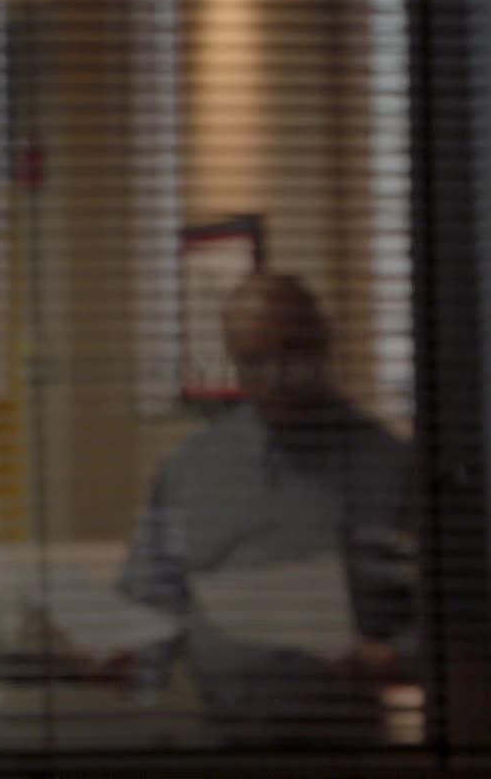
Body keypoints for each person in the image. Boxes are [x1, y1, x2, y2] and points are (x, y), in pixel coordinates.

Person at [115, 272, 416, 745]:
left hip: (341, 745)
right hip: (212, 737)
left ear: (323, 345)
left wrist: (397, 657)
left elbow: (453, 615)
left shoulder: (391, 467)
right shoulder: (189, 468)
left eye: (291, 352)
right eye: (254, 361)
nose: (275, 377)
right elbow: (151, 594)